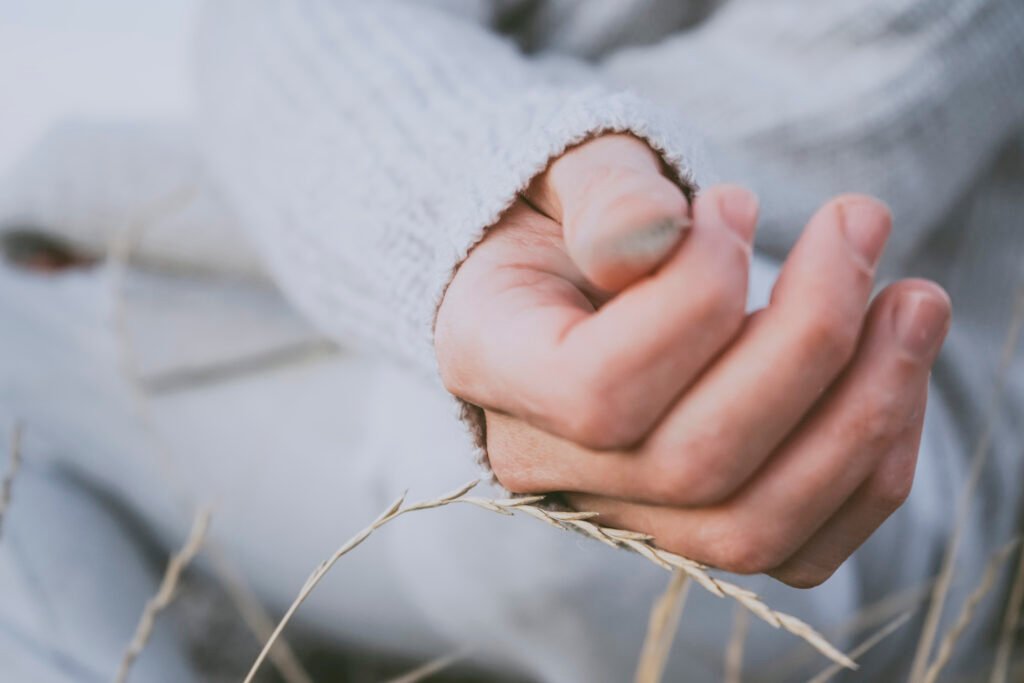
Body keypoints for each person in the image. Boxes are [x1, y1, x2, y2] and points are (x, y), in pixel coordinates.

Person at [1, 1, 1022, 681]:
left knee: (563, 415)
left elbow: (778, 156)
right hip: (361, 333)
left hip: (895, 443)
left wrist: (449, 203)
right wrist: (458, 225)